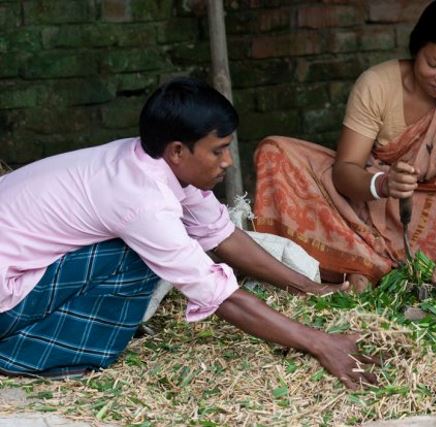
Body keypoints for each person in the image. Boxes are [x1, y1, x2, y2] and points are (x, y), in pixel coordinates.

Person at [0, 77, 377, 389]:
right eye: (219, 151)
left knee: (152, 245)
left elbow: (223, 236)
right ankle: (25, 353)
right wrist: (321, 343)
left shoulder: (151, 162)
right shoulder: (142, 200)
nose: (229, 163)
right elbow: (218, 295)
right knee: (136, 256)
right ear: (178, 151)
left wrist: (310, 289)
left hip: (17, 268)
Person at [253, 0, 436, 291]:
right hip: (374, 206)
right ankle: (365, 261)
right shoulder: (377, 85)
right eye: (433, 64)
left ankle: (379, 267)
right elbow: (344, 172)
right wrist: (382, 184)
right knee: (275, 153)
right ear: (415, 48)